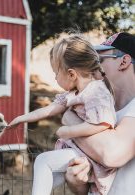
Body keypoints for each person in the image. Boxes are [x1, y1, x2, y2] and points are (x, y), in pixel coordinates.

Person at [9, 33, 117, 195]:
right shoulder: (73, 93)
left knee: (42, 161)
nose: (55, 79)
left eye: (56, 73)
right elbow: (48, 110)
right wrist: (21, 118)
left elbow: (103, 123)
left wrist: (69, 131)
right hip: (81, 151)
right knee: (48, 175)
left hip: (92, 155)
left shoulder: (96, 91)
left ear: (72, 74)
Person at [64, 32, 135, 195]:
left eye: (99, 59)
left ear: (123, 61)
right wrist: (77, 182)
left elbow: (112, 154)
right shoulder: (101, 113)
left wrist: (69, 118)